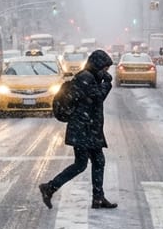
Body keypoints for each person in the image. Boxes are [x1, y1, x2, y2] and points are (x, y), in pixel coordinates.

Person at [39, 49, 117, 210]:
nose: (105, 71)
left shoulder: (90, 77)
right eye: (104, 68)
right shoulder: (85, 78)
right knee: (82, 164)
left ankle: (98, 197)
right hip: (83, 128)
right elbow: (97, 97)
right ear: (97, 65)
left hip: (89, 128)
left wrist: (103, 80)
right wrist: (107, 84)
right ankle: (50, 187)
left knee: (96, 162)